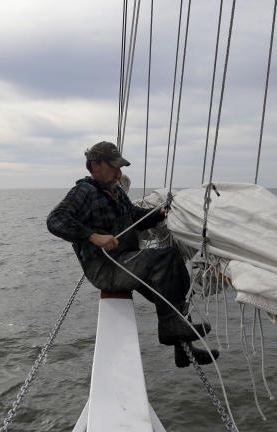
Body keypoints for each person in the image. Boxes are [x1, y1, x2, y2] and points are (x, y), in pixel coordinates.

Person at [47, 141, 217, 367]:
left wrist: (161, 212)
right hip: (106, 269)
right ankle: (168, 328)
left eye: (121, 169)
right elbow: (55, 219)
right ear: (95, 166)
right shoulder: (84, 191)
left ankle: (184, 351)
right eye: (114, 167)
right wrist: (93, 236)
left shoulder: (115, 191)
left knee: (173, 292)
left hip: (126, 261)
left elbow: (136, 216)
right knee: (167, 257)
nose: (119, 173)